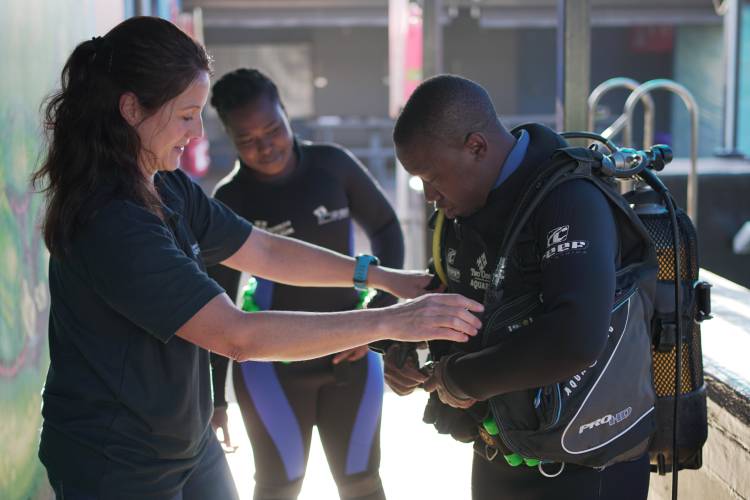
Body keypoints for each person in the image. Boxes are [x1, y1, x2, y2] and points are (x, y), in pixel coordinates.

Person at [31, 19, 483, 500]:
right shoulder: (112, 221)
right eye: (186, 116)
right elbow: (236, 335)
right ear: (131, 109)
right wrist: (392, 321)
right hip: (118, 461)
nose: (197, 133)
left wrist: (385, 279)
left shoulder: (166, 185)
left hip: (186, 443)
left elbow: (263, 249)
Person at [383, 74, 651, 500]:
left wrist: (462, 379)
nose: (430, 195)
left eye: (433, 177)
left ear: (476, 147)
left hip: (583, 464)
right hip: (501, 449)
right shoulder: (463, 206)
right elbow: (454, 296)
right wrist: (407, 345)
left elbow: (576, 339)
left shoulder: (570, 199)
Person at [206, 68, 400, 500]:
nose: (265, 146)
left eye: (273, 129)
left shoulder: (332, 166)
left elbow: (386, 227)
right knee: (279, 486)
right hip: (270, 368)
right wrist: (215, 399)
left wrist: (375, 319)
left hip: (350, 353)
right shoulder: (231, 200)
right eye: (247, 139)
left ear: (286, 113)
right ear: (229, 137)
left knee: (362, 483)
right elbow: (217, 304)